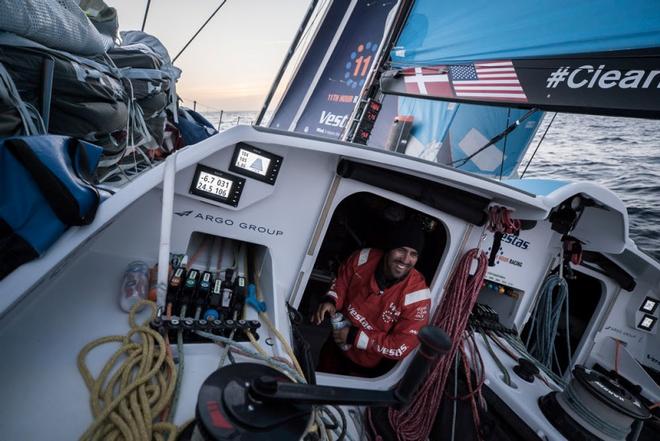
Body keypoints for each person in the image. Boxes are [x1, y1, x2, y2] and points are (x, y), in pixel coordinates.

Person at [313, 220, 431, 373]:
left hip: (365, 364)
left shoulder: (418, 296)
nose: (406, 259)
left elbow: (400, 347)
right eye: (401, 250)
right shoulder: (363, 258)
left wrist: (354, 336)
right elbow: (341, 282)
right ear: (389, 249)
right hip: (335, 343)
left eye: (413, 254)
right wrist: (331, 300)